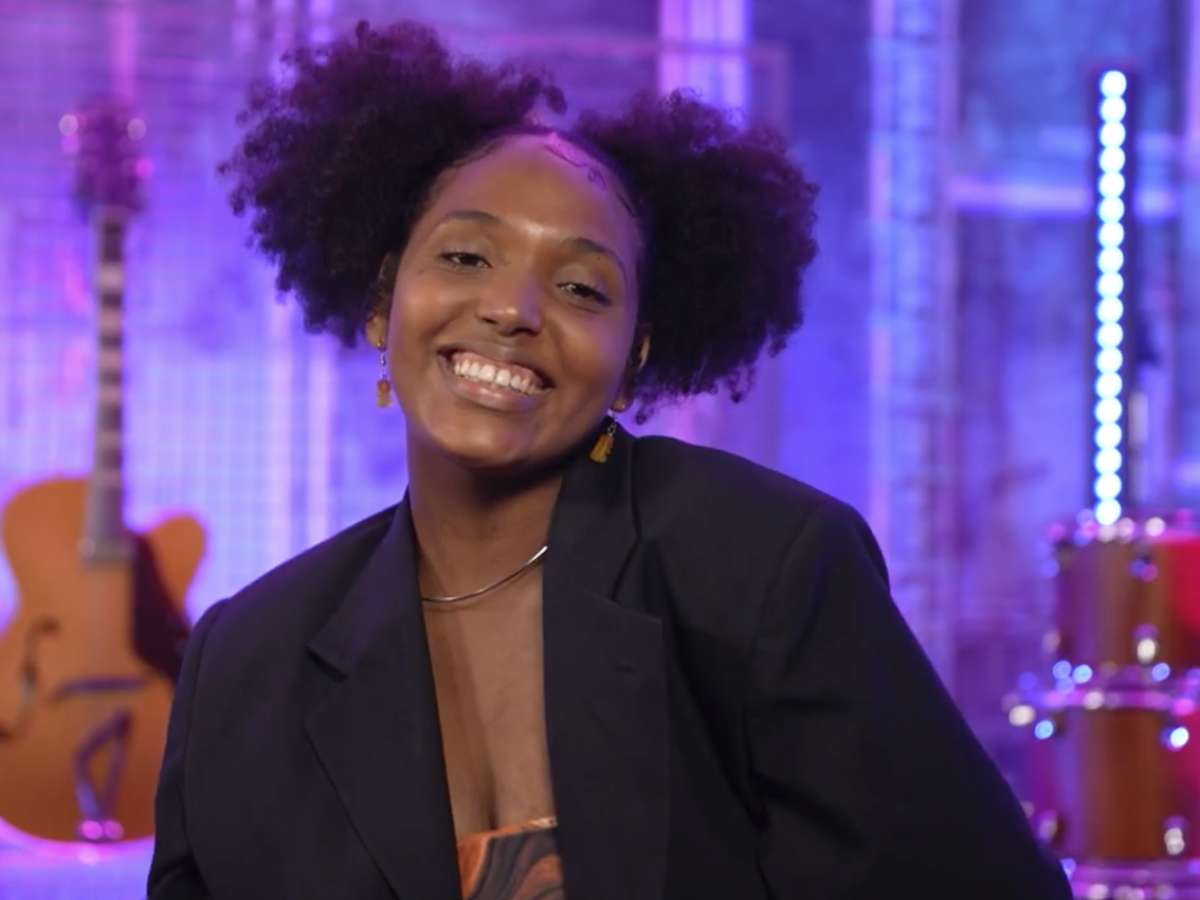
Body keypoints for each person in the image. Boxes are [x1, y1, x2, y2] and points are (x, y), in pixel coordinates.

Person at [147, 20, 1071, 900]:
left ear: (633, 361)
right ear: (383, 304)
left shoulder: (764, 572)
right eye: (466, 257)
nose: (513, 310)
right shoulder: (245, 666)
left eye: (581, 288)